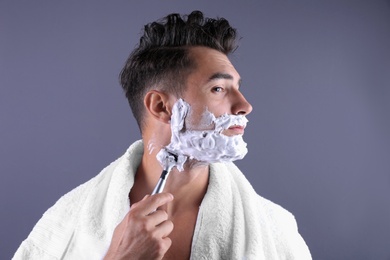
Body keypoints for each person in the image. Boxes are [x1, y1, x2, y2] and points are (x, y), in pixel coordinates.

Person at [13, 11, 311, 259]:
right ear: (161, 106)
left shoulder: (275, 230)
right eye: (219, 89)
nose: (245, 106)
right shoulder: (66, 222)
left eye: (238, 88)